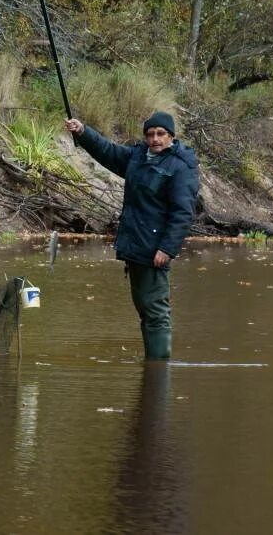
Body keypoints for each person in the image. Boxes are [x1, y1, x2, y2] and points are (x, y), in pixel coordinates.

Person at [64, 111, 199, 361]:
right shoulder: (137, 157)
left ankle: (158, 369)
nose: (155, 139)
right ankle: (153, 367)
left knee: (156, 311)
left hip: (155, 250)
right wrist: (83, 132)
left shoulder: (181, 167)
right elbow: (108, 151)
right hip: (136, 246)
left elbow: (183, 213)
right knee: (145, 308)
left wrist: (167, 249)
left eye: (161, 134)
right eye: (150, 134)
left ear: (171, 136)